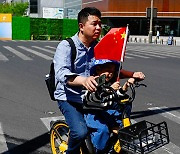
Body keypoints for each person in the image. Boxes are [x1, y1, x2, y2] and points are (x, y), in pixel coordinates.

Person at [53, 7, 145, 154]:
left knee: (113, 125)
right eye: (94, 24)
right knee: (80, 132)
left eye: (100, 24)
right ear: (81, 26)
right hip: (69, 97)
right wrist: (83, 81)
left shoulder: (98, 47)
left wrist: (133, 74)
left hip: (93, 97)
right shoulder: (66, 46)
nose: (98, 27)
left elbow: (110, 70)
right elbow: (62, 74)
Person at [83, 59, 139, 153]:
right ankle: (98, 150)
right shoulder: (93, 82)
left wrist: (124, 87)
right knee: (103, 130)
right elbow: (92, 98)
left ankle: (112, 147)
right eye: (108, 71)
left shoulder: (109, 82)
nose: (110, 74)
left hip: (106, 112)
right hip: (94, 114)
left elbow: (116, 95)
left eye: (112, 71)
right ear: (98, 69)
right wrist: (107, 90)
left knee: (124, 128)